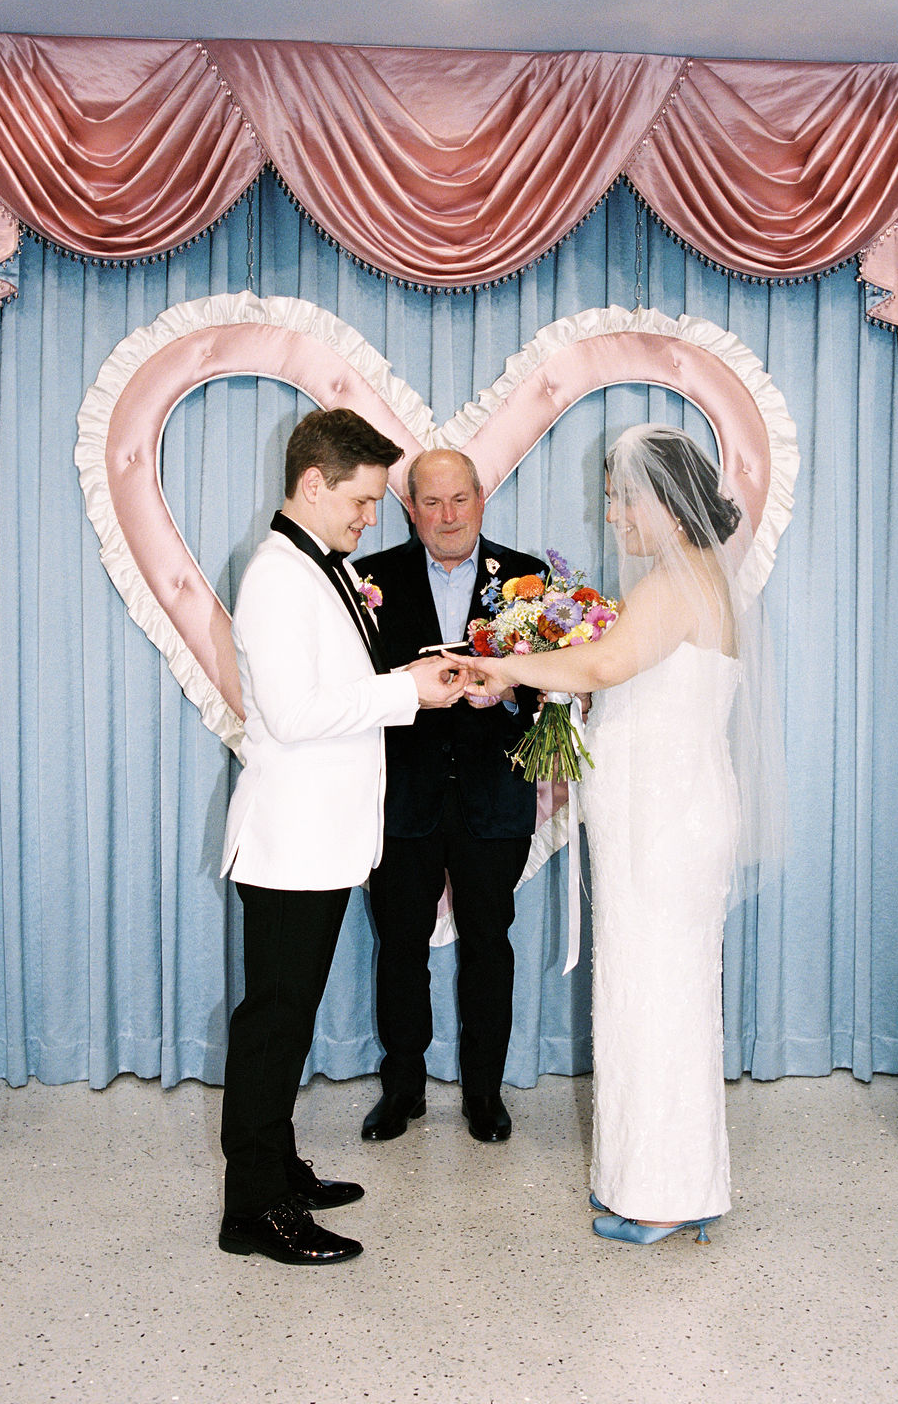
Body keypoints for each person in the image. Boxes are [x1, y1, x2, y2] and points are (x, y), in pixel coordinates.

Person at [457, 424, 781, 1245]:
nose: (610, 513)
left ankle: (669, 1191)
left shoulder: (675, 583)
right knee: (653, 997)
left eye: (619, 497)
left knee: (658, 1000)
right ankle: (666, 1179)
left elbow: (603, 668)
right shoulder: (689, 580)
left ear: (664, 506)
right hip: (659, 816)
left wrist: (509, 668)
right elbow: (627, 684)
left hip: (663, 825)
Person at [218, 409, 465, 1266]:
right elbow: (291, 715)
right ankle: (252, 1209)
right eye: (362, 502)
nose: (371, 520)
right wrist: (410, 694)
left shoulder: (316, 566)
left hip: (320, 839)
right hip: (291, 843)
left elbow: (340, 688)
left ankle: (278, 1169)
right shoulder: (280, 576)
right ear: (314, 483)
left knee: (285, 1021)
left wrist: (413, 676)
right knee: (273, 1027)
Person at [353, 449, 545, 1144]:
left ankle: (484, 1094)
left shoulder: (530, 577)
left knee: (490, 945)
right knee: (399, 945)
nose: (447, 516)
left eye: (458, 499)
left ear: (481, 496)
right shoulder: (367, 579)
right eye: (430, 503)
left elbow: (545, 683)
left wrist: (513, 684)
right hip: (402, 796)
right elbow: (356, 688)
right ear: (410, 509)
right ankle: (402, 1087)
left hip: (495, 796)